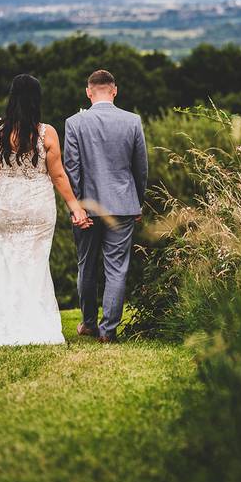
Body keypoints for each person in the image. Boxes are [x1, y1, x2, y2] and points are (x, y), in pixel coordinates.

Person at [0, 74, 91, 346]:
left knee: (7, 258)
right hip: (37, 203)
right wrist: (76, 208)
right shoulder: (46, 133)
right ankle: (34, 323)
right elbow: (58, 175)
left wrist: (5, 168)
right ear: (37, 100)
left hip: (4, 203)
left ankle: (2, 322)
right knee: (35, 261)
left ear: (11, 98)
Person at [63, 69, 148, 343]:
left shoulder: (74, 123)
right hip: (123, 205)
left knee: (86, 265)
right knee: (117, 268)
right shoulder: (132, 121)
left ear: (88, 92)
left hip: (87, 206)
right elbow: (141, 169)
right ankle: (108, 331)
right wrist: (138, 202)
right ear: (114, 90)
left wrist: (76, 208)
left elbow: (71, 170)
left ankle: (88, 323)